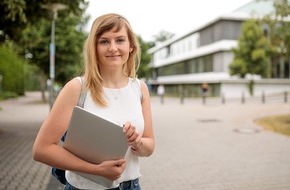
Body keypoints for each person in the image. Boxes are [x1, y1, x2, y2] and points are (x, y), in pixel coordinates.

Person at [33, 13, 155, 190]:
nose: (113, 47)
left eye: (120, 40)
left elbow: (149, 146)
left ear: (131, 46)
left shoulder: (140, 89)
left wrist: (137, 143)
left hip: (132, 186)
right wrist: (96, 170)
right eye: (104, 41)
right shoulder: (77, 88)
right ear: (94, 47)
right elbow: (41, 149)